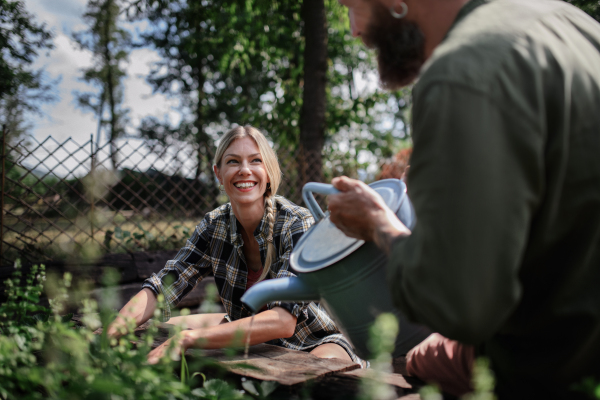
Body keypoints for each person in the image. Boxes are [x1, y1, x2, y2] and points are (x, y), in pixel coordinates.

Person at [330, 0, 600, 398]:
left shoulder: (462, 70)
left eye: (351, 5)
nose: (353, 29)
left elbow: (458, 302)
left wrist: (378, 224)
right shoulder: (573, 25)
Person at [107, 125, 363, 367]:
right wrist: (119, 325)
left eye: (255, 160)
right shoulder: (214, 225)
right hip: (251, 337)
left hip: (314, 340)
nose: (244, 170)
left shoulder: (296, 223)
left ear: (269, 172)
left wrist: (189, 339)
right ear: (218, 173)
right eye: (233, 161)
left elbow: (283, 321)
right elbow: (166, 284)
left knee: (315, 375)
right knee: (156, 328)